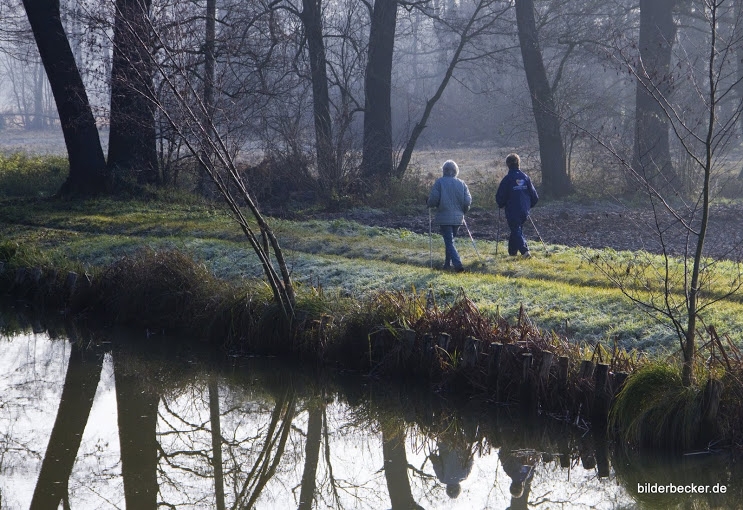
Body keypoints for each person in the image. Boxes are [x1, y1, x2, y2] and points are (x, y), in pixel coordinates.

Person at [427, 160, 472, 272]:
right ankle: (447, 264)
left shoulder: (440, 182)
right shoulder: (462, 183)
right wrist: (464, 211)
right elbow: (467, 201)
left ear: (444, 170)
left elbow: (433, 200)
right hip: (458, 218)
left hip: (444, 216)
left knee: (449, 242)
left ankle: (458, 265)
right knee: (450, 241)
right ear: (455, 171)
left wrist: (429, 203)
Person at [495, 153, 539, 258]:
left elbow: (500, 197)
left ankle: (525, 251)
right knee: (516, 230)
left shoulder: (507, 179)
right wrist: (528, 206)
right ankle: (512, 252)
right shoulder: (525, 177)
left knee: (515, 229)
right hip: (524, 210)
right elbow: (535, 197)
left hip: (512, 209)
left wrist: (501, 204)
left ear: (508, 165)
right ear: (518, 163)